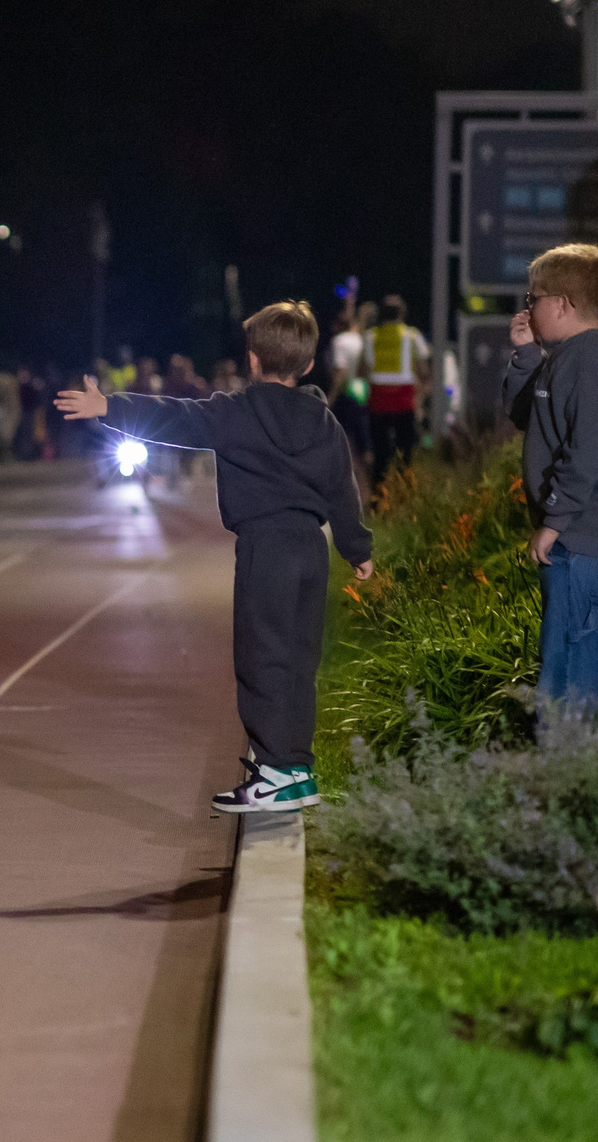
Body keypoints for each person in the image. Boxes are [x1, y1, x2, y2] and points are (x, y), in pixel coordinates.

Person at [55, 300, 373, 814]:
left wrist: (109, 408)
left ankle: (273, 773)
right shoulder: (324, 421)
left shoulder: (234, 413)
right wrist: (357, 548)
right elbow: (344, 487)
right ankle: (296, 766)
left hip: (264, 548)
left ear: (251, 360)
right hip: (311, 550)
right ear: (309, 364)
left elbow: (174, 419)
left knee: (261, 658)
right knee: (299, 660)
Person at [503, 243, 598, 712]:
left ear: (562, 304)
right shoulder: (568, 357)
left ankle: (570, 770)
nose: (527, 307)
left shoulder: (591, 361)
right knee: (595, 664)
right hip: (587, 532)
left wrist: (553, 521)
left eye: (533, 298)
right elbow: (528, 414)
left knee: (573, 666)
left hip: (587, 534)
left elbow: (587, 453)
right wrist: (525, 355)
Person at [363, 293, 429, 482]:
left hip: (378, 402)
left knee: (380, 457)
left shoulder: (371, 337)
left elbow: (363, 371)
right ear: (402, 313)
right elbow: (423, 372)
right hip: (405, 402)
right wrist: (420, 401)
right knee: (405, 456)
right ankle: (403, 498)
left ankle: (377, 502)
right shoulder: (412, 336)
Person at [326, 301, 372, 497]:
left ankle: (351, 492)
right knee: (365, 446)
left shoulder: (339, 342)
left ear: (337, 326)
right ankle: (370, 492)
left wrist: (331, 397)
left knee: (345, 445)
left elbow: (341, 371)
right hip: (364, 394)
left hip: (346, 398)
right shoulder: (361, 339)